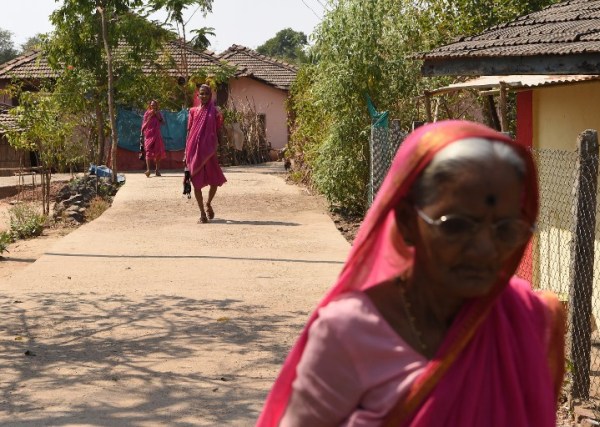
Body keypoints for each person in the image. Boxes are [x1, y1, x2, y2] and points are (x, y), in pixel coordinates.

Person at [258, 120, 566, 426]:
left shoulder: (528, 320)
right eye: (456, 225)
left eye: (506, 229)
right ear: (407, 222)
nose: (486, 249)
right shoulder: (350, 332)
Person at [184, 84, 227, 223]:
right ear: (198, 95)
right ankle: (202, 212)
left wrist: (221, 147)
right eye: (201, 94)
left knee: (214, 180)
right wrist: (186, 151)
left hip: (209, 151)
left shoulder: (215, 111)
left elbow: (219, 130)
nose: (203, 96)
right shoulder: (192, 111)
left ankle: (208, 203)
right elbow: (189, 132)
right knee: (196, 182)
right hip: (194, 151)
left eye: (206, 94)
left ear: (210, 96)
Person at [141, 100, 167, 177]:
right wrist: (150, 115)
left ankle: (157, 170)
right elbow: (144, 124)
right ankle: (148, 170)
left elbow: (163, 123)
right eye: (152, 105)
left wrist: (157, 115)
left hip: (157, 135)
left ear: (157, 106)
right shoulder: (147, 113)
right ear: (150, 106)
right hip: (148, 135)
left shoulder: (159, 113)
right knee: (148, 151)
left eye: (155, 105)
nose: (153, 107)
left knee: (158, 152)